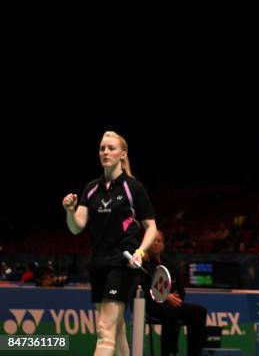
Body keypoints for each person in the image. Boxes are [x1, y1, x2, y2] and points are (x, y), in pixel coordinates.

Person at [62, 131, 158, 356]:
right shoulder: (91, 189)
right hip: (98, 264)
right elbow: (77, 227)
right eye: (102, 148)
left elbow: (152, 227)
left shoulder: (133, 188)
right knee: (116, 331)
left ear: (122, 154)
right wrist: (69, 211)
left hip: (122, 265)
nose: (105, 152)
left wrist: (140, 252)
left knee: (105, 331)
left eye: (111, 148)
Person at [143, 230, 207, 356]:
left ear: (163, 245)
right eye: (153, 240)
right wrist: (165, 297)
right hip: (152, 305)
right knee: (170, 311)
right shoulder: (143, 263)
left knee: (199, 312)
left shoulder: (170, 264)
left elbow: (181, 289)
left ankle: (195, 353)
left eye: (159, 241)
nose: (155, 243)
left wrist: (176, 299)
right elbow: (143, 289)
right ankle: (169, 352)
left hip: (172, 304)